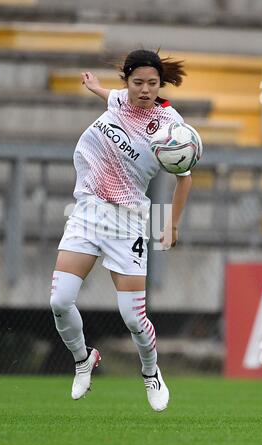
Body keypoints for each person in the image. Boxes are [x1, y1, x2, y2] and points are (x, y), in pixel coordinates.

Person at [50, 49, 192, 412]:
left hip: (127, 221)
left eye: (152, 83)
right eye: (137, 82)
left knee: (133, 317)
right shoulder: (118, 100)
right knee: (60, 301)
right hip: (86, 212)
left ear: (160, 85)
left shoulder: (169, 123)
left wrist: (170, 224)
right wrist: (95, 87)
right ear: (126, 82)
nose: (145, 90)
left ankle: (150, 371)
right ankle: (84, 360)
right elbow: (110, 96)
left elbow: (184, 178)